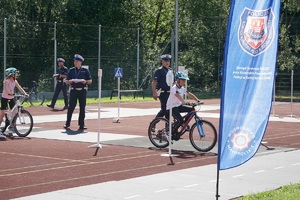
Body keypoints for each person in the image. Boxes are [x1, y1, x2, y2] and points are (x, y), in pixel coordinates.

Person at [166, 72, 200, 141]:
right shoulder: (174, 88)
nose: (184, 82)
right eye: (183, 80)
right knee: (180, 120)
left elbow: (189, 94)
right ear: (178, 80)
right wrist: (184, 102)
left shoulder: (182, 88)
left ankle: (184, 124)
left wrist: (197, 100)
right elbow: (177, 95)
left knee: (191, 109)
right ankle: (170, 134)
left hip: (178, 106)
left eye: (184, 80)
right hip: (171, 107)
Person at [64, 54, 92, 130]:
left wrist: (85, 81)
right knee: (71, 107)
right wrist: (69, 81)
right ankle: (67, 123)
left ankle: (81, 124)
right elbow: (66, 80)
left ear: (80, 62)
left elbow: (90, 81)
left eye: (77, 61)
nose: (75, 62)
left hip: (82, 91)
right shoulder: (71, 70)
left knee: (82, 108)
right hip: (73, 91)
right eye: (75, 61)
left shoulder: (85, 70)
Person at [0, 67, 29, 139]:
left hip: (11, 98)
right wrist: (11, 93)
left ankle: (11, 125)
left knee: (15, 110)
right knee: (2, 113)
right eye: (15, 73)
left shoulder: (14, 81)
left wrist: (25, 93)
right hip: (5, 98)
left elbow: (19, 87)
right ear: (11, 74)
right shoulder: (6, 81)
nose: (16, 74)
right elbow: (6, 90)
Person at [152, 54, 172, 119]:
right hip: (163, 93)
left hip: (170, 93)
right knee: (164, 109)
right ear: (162, 61)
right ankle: (154, 123)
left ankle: (168, 127)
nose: (167, 62)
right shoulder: (159, 70)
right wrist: (154, 92)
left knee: (169, 110)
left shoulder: (170, 70)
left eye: (168, 61)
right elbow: (154, 82)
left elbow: (174, 82)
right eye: (165, 61)